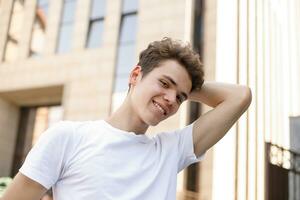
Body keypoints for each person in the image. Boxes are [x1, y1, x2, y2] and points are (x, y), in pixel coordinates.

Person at [1, 38, 252, 200]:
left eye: (180, 97)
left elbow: (240, 96)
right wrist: (178, 81)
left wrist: (187, 83)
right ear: (135, 75)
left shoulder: (169, 151)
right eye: (164, 83)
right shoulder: (67, 137)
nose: (170, 99)